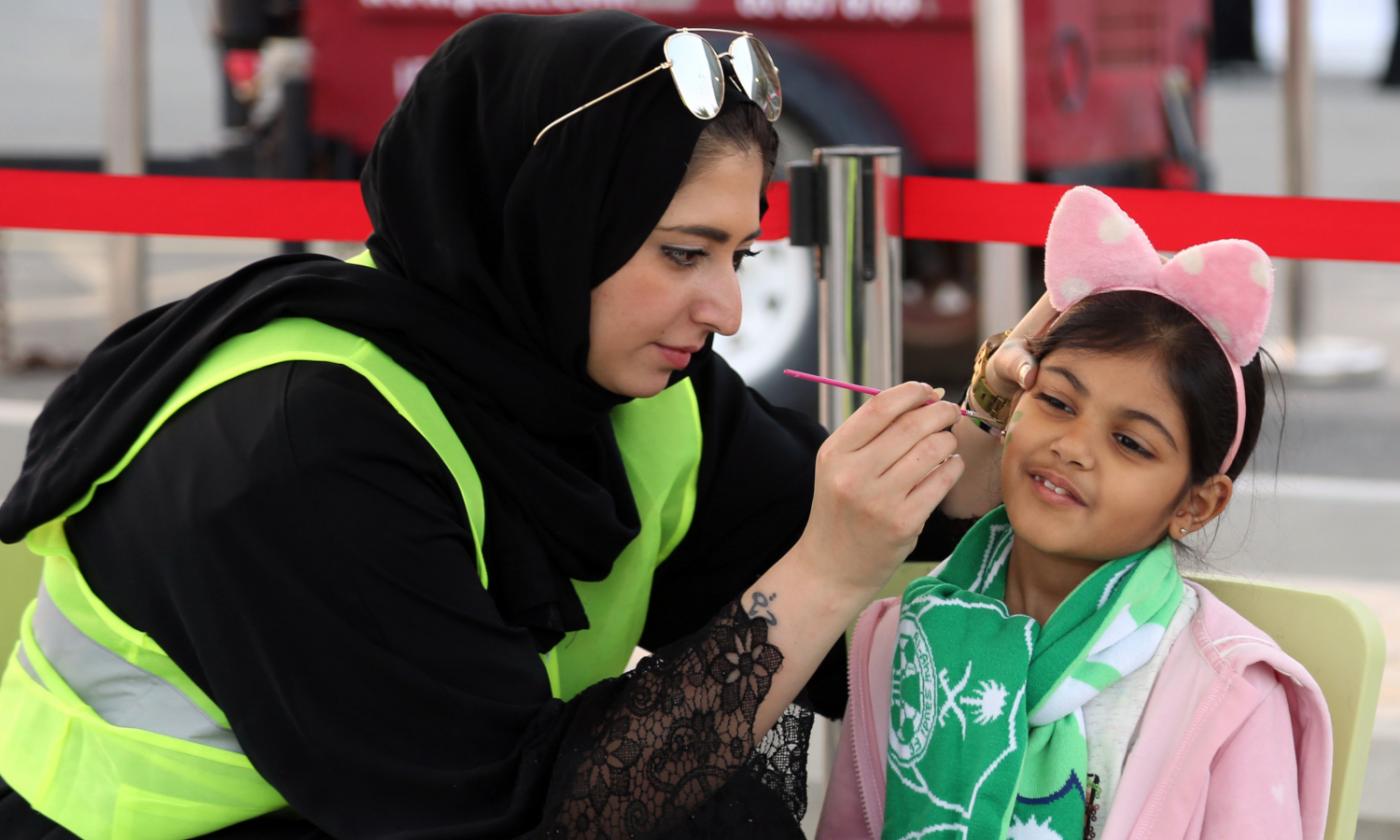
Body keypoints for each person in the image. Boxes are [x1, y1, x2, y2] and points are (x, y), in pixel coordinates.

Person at [0, 11, 1039, 839]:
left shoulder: (592, 368)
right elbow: (546, 813)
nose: (724, 309)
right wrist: (822, 572)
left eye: (740, 257)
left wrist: (1016, 413)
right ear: (544, 224)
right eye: (683, 254)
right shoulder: (300, 452)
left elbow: (842, 514)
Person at [816, 187, 1334, 840]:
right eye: (1059, 402)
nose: (1072, 447)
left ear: (1195, 504)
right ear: (1013, 406)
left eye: (1130, 443)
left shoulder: (1227, 693)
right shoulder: (900, 636)